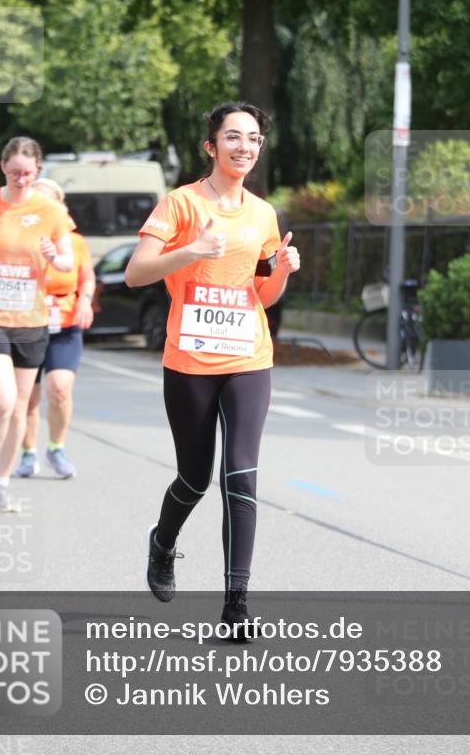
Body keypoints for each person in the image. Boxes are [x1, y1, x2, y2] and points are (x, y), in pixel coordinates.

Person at [125, 101, 300, 635]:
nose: (243, 146)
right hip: (190, 360)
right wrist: (192, 250)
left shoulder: (263, 214)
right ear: (211, 146)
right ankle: (163, 542)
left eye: (252, 138)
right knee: (195, 477)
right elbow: (135, 275)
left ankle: (236, 604)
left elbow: (263, 295)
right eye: (232, 137)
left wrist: (284, 272)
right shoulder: (180, 204)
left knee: (240, 474)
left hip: (248, 356)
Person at [0, 137, 73, 516]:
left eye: (27, 173)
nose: (21, 179)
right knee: (4, 400)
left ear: (38, 170)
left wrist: (53, 255)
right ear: (3, 168)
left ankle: (4, 482)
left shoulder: (51, 210)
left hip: (31, 320)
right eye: (13, 173)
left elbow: (67, 266)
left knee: (21, 406)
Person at [14, 178, 95, 480]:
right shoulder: (19, 239)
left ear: (60, 208)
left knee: (59, 388)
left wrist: (85, 301)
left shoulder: (75, 242)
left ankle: (56, 447)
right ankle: (27, 452)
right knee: (28, 398)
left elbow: (86, 277)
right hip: (26, 325)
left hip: (64, 324)